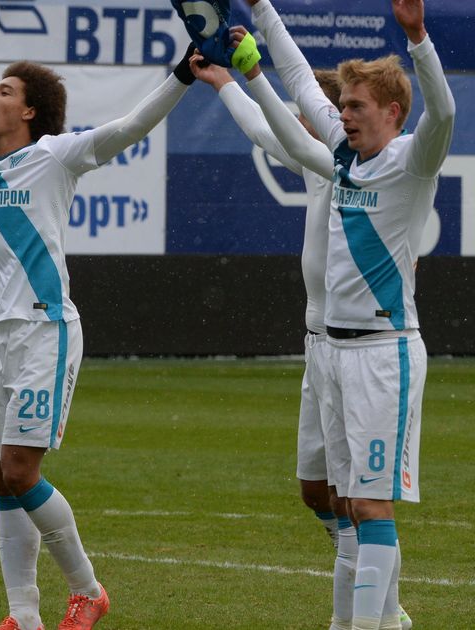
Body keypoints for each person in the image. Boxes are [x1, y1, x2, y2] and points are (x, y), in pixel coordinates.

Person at [0, 11, 197, 628]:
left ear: (29, 111)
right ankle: (24, 615)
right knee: (2, 479)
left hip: (44, 331)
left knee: (21, 470)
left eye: (3, 90)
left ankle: (87, 589)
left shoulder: (56, 155)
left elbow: (131, 126)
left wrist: (182, 76)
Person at [241, 1, 452, 628]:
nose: (344, 115)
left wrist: (417, 37)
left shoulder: (414, 160)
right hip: (332, 352)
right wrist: (261, 11)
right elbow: (298, 77)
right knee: (348, 507)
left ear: (392, 113)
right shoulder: (340, 153)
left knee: (371, 505)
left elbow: (444, 112)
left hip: (383, 353)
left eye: (356, 106)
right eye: (345, 106)